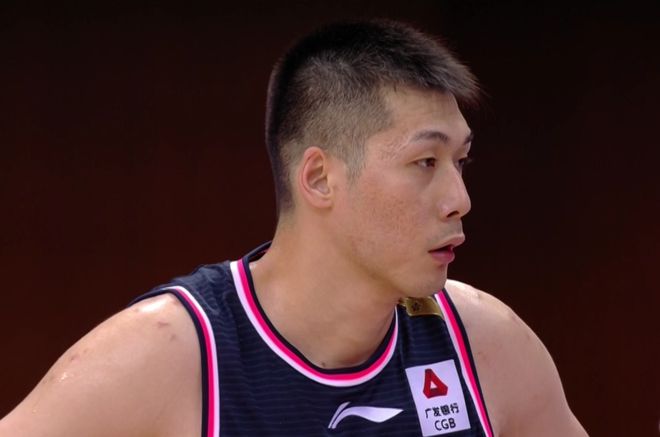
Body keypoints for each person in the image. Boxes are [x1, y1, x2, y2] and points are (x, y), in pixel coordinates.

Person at [0, 20, 588, 437]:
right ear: (320, 178)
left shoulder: (486, 342)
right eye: (425, 163)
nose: (459, 200)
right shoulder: (169, 354)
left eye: (460, 161)